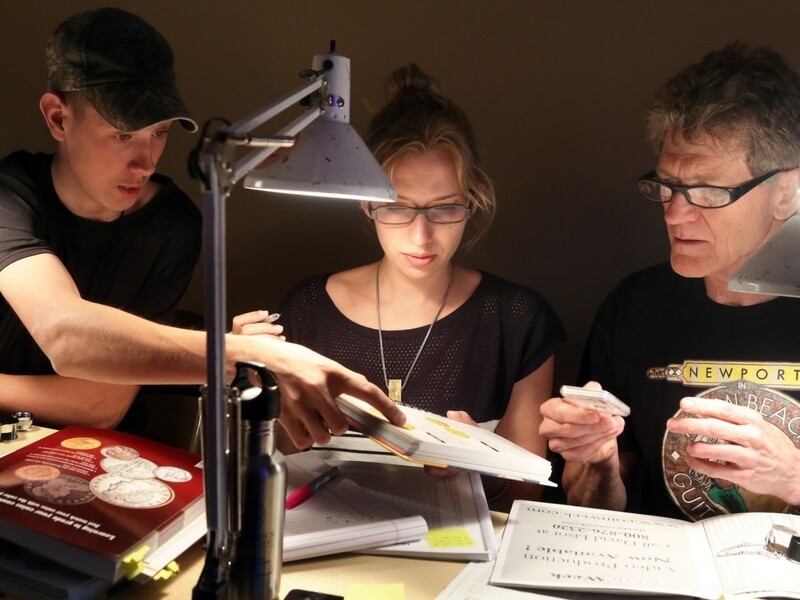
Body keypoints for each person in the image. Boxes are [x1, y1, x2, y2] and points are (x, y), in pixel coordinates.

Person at [0, 7, 404, 444]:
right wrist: (240, 353)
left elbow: (102, 404)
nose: (146, 160)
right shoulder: (10, 196)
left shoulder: (170, 223)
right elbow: (66, 334)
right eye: (123, 135)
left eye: (159, 132)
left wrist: (230, 348)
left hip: (110, 456)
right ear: (58, 118)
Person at [235, 64, 564, 508]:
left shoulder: (516, 320)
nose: (420, 236)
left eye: (445, 209)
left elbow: (524, 494)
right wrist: (245, 381)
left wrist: (476, 469)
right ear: (364, 202)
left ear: (473, 200)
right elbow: (276, 463)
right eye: (396, 207)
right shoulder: (308, 309)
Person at [539, 42, 800, 521]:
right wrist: (595, 461)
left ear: (787, 193)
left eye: (706, 191)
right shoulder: (636, 307)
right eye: (667, 187)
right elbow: (592, 510)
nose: (676, 214)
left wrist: (794, 478)